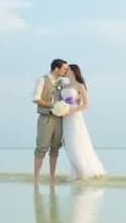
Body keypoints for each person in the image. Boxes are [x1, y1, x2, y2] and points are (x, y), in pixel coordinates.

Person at [61, 63, 106, 179]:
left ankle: (83, 174)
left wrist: (71, 111)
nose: (65, 71)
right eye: (65, 69)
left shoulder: (79, 85)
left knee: (77, 144)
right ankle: (77, 173)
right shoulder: (63, 86)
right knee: (69, 146)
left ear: (73, 71)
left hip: (75, 118)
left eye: (68, 69)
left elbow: (86, 105)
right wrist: (60, 110)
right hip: (64, 119)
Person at [32, 58, 69, 187]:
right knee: (41, 148)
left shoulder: (62, 83)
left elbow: (67, 99)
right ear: (56, 68)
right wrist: (52, 105)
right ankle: (36, 179)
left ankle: (52, 178)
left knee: (55, 148)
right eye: (64, 68)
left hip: (59, 119)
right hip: (46, 117)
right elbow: (36, 99)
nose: (66, 71)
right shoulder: (42, 80)